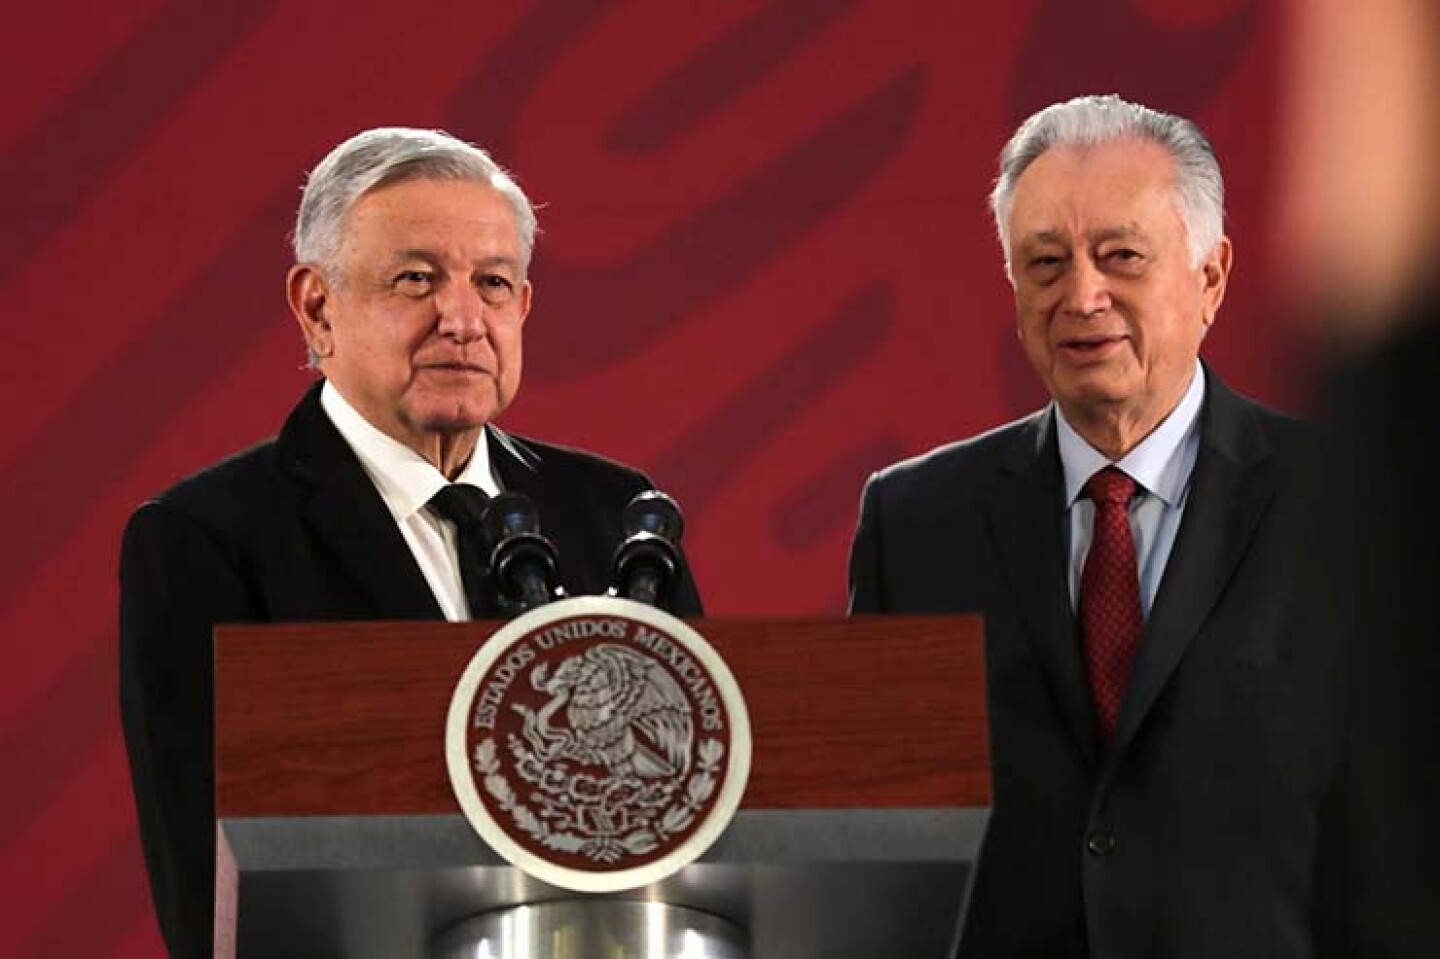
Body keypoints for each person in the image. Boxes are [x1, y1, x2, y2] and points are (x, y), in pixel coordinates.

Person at [119, 127, 703, 958]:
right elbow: (208, 894)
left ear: (524, 308)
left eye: (493, 283)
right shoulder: (205, 542)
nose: (462, 319)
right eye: (417, 279)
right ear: (316, 307)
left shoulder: (618, 517)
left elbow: (705, 814)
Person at [849, 96, 1337, 957]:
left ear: (1210, 277)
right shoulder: (914, 522)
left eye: (1121, 256)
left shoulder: (1347, 509)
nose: (1082, 295)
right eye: (1044, 262)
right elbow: (873, 846)